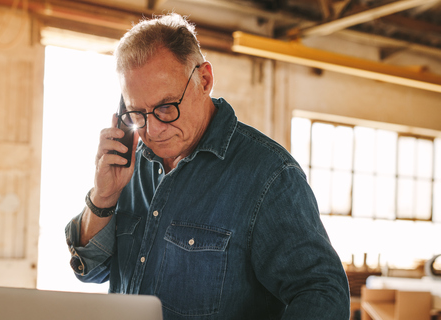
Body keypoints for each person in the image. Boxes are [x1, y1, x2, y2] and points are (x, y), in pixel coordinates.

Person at [65, 13, 350, 320]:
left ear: (204, 80)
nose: (152, 130)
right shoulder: (130, 165)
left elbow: (322, 293)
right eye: (137, 113)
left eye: (165, 107)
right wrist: (104, 198)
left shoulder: (269, 175)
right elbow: (91, 271)